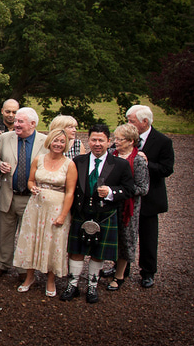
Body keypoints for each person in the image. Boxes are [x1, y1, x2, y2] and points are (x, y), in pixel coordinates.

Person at [61, 124, 136, 304]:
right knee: (76, 251)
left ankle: (92, 286)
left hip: (105, 214)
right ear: (88, 140)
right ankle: (72, 285)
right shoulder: (78, 161)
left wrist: (111, 192)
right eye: (93, 139)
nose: (97, 144)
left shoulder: (120, 164)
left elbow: (129, 190)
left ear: (109, 142)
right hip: (81, 213)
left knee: (98, 253)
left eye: (101, 140)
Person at [13, 128, 77, 297]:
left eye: (62, 141)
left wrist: (63, 215)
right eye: (56, 140)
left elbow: (70, 192)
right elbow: (31, 180)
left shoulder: (69, 164)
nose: (58, 144)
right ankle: (29, 277)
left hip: (56, 208)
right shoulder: (39, 159)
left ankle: (50, 280)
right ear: (49, 141)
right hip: (36, 206)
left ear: (66, 144)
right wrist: (32, 187)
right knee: (32, 240)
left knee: (53, 242)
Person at [0, 107, 47, 278]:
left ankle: (23, 268)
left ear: (33, 124)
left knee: (27, 234)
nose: (16, 124)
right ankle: (1, 263)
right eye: (15, 121)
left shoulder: (44, 141)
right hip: (7, 192)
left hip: (30, 197)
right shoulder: (5, 138)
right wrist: (0, 166)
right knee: (3, 231)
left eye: (20, 122)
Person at [126, 104, 174, 288]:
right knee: (125, 235)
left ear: (144, 122)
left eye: (132, 121)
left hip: (150, 197)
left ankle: (148, 272)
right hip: (128, 196)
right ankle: (121, 268)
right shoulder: (127, 137)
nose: (128, 124)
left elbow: (167, 169)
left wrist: (146, 163)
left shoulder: (163, 141)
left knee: (148, 237)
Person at [105, 123, 149, 291]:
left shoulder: (138, 160)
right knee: (109, 237)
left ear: (131, 141)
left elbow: (143, 188)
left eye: (120, 139)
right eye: (115, 138)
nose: (116, 142)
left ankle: (119, 275)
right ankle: (112, 266)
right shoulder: (110, 155)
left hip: (127, 207)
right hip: (109, 203)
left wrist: (120, 191)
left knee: (125, 240)